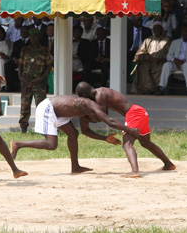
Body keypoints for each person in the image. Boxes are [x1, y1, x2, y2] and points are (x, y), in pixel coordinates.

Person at [10, 94, 140, 174]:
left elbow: (85, 131)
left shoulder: (86, 112)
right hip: (48, 108)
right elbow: (110, 121)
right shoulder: (90, 106)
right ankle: (18, 144)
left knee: (73, 134)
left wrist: (105, 138)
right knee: (51, 144)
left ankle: (75, 167)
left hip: (59, 113)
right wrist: (131, 130)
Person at [76, 82, 175, 177]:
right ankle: (168, 164)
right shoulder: (101, 92)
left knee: (127, 144)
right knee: (146, 143)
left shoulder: (100, 96)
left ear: (85, 94)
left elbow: (104, 119)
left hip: (133, 114)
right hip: (139, 112)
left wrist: (84, 113)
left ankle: (135, 171)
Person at [18, 28, 52, 133]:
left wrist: (42, 78)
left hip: (39, 82)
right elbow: (20, 65)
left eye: (35, 36)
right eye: (31, 36)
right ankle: (23, 128)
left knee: (41, 106)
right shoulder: (25, 49)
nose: (33, 38)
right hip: (26, 81)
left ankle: (42, 128)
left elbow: (49, 66)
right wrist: (20, 77)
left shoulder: (44, 50)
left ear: (39, 37)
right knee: (24, 106)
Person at [156, 25, 187, 97]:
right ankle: (161, 88)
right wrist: (174, 59)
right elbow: (168, 56)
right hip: (175, 63)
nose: (185, 33)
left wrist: (185, 60)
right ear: (181, 32)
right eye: (184, 31)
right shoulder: (174, 42)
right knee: (166, 65)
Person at [130, 22, 170, 95]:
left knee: (159, 68)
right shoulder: (148, 40)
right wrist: (146, 57)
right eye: (155, 28)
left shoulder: (167, 40)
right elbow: (139, 53)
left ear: (162, 29)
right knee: (142, 67)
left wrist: (161, 59)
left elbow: (170, 53)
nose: (157, 30)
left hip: (160, 61)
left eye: (159, 28)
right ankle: (148, 89)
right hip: (148, 61)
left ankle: (158, 89)